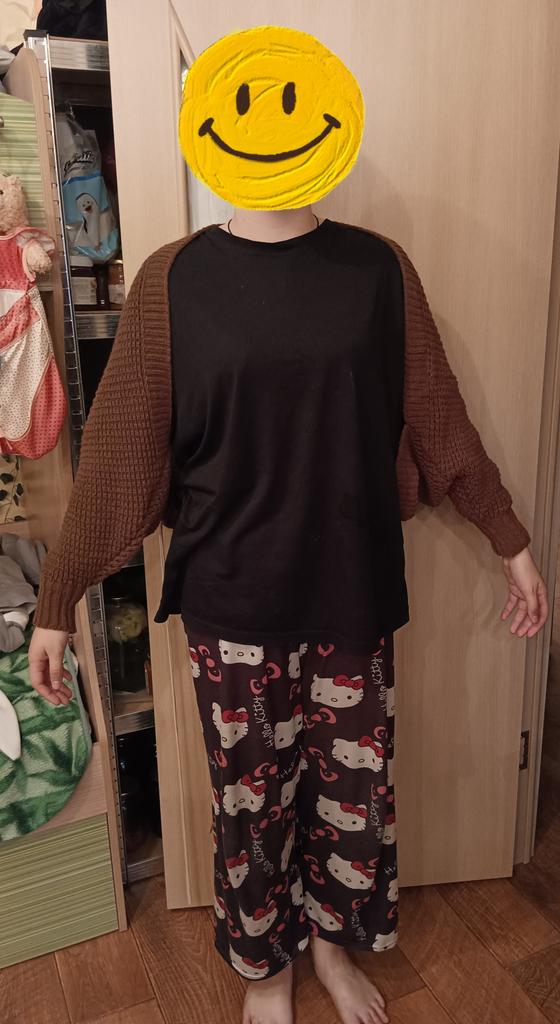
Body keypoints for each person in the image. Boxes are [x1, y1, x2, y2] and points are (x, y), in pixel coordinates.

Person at [29, 205, 549, 1024]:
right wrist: (57, 599)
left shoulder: (379, 270)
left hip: (352, 590)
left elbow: (441, 422)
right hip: (232, 602)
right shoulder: (172, 280)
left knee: (354, 795)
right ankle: (265, 969)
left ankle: (333, 949)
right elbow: (120, 462)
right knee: (250, 806)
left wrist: (509, 540)